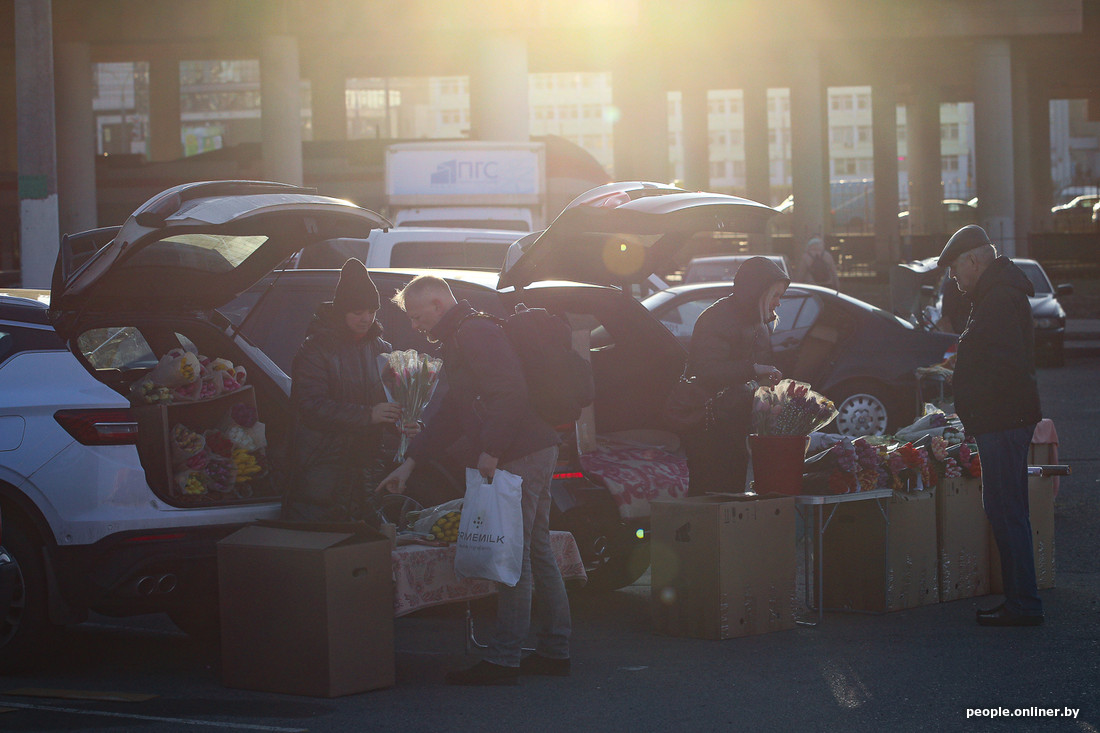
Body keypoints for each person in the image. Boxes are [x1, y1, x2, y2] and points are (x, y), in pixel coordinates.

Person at [377, 275, 570, 686]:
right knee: (535, 550)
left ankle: (504, 660)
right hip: (532, 448)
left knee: (513, 557)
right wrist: (411, 462)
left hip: (520, 453)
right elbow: (451, 411)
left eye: (416, 315)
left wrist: (493, 448)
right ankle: (555, 650)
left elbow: (510, 392)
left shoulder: (474, 332)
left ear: (437, 303)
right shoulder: (464, 333)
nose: (414, 326)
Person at [937, 225, 1044, 627]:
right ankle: (1022, 599)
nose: (954, 278)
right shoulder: (998, 294)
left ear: (973, 261)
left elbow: (1003, 366)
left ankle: (1023, 603)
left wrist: (975, 400)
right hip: (1006, 418)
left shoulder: (996, 299)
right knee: (1009, 508)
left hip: (1002, 420)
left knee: (1004, 509)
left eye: (955, 269)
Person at [282, 258, 409, 523]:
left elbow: (393, 398)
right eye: (357, 311)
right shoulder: (316, 348)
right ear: (341, 311)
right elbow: (310, 406)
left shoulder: (381, 348)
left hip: (367, 466)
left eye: (372, 311)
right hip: (323, 467)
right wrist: (368, 415)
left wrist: (404, 420)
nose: (366, 318)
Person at [682, 256, 789, 495]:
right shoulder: (718, 318)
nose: (778, 303)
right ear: (757, 293)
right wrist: (754, 370)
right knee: (712, 493)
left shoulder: (758, 322)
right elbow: (705, 370)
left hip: (735, 425)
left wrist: (765, 382)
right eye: (775, 295)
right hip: (710, 428)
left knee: (732, 492)